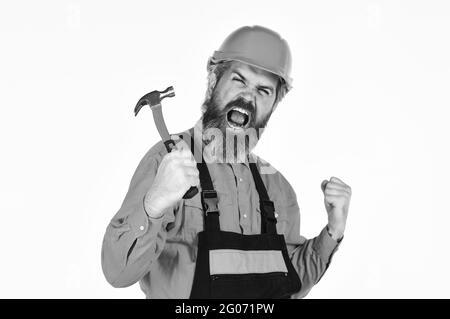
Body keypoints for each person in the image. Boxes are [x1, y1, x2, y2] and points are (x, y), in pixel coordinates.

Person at [101, 25, 352, 299]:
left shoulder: (278, 189)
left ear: (275, 104)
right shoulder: (167, 162)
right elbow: (118, 273)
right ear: (213, 80)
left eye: (264, 90)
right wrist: (154, 204)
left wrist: (333, 230)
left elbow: (289, 282)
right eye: (239, 80)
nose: (248, 97)